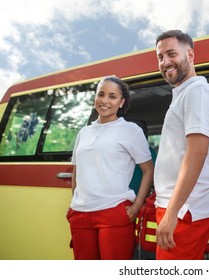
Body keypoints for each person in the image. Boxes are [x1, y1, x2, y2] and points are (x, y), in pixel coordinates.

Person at [67, 76, 154, 260]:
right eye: (101, 94)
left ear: (121, 102)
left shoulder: (130, 130)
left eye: (112, 96)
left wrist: (136, 207)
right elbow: (77, 169)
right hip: (80, 215)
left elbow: (148, 170)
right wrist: (74, 200)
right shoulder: (84, 132)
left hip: (114, 212)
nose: (105, 100)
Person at [153, 30, 209, 260]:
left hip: (185, 210)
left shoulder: (198, 92)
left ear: (190, 54)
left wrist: (172, 213)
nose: (165, 62)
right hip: (179, 207)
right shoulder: (184, 94)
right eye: (160, 57)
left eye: (171, 54)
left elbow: (197, 153)